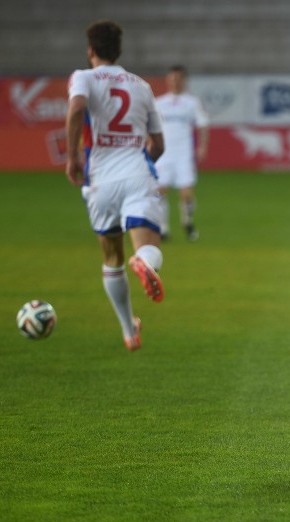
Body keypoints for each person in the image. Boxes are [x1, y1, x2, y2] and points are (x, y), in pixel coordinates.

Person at [65, 20, 166, 351]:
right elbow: (159, 144)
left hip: (101, 181)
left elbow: (77, 108)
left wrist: (73, 158)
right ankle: (146, 263)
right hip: (136, 173)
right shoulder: (141, 85)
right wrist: (142, 161)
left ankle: (128, 329)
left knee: (111, 257)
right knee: (148, 247)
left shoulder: (83, 77)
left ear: (91, 50)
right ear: (119, 50)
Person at [154, 64, 210, 242]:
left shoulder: (192, 102)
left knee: (186, 193)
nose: (175, 82)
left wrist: (202, 146)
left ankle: (187, 221)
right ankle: (163, 228)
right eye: (172, 79)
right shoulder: (159, 102)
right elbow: (151, 127)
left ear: (184, 81)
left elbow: (202, 124)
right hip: (164, 153)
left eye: (178, 79)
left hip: (183, 154)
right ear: (167, 81)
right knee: (160, 190)